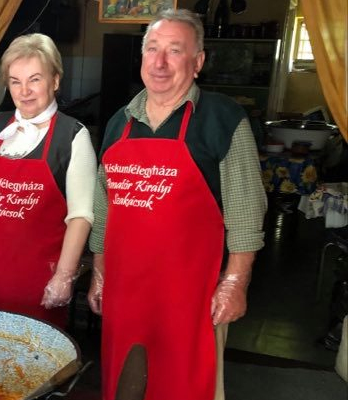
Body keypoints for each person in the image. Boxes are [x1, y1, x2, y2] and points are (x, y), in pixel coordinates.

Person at [87, 9, 267, 400]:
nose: (160, 62)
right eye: (152, 49)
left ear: (198, 61)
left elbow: (246, 212)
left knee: (186, 383)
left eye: (175, 50)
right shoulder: (120, 122)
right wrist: (99, 271)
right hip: (125, 291)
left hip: (191, 296)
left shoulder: (222, 119)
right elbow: (104, 209)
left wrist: (235, 282)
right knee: (124, 383)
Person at [0, 33, 97, 327]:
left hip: (41, 282)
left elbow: (81, 216)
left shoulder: (72, 135)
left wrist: (63, 276)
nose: (25, 92)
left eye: (35, 79)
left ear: (55, 81)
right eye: (15, 81)